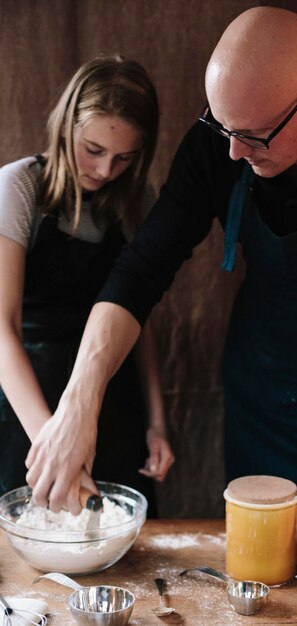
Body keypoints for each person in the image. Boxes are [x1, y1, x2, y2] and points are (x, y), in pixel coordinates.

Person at [25, 8, 297, 624]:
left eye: (255, 137)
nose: (233, 153)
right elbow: (142, 269)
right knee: (265, 597)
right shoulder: (226, 137)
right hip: (262, 392)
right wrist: (79, 402)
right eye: (222, 128)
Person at [0, 55, 175, 517]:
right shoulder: (20, 188)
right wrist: (54, 441)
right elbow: (1, 327)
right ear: (65, 126)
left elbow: (139, 321)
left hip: (113, 405)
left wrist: (156, 423)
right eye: (92, 149)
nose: (103, 170)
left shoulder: (139, 203)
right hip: (27, 404)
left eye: (124, 158)